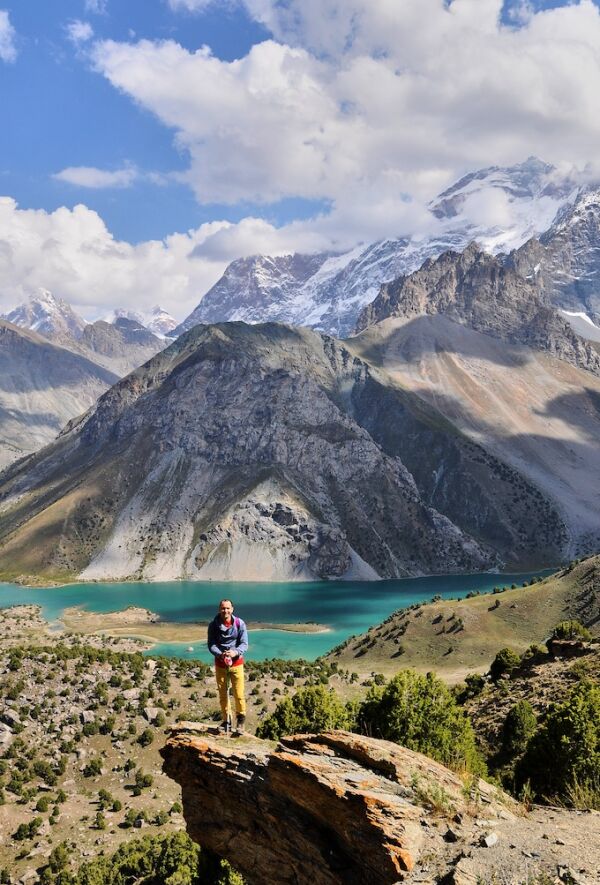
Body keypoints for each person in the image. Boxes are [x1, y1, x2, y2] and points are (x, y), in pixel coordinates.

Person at [207, 598, 249, 735]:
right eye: (223, 608)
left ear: (232, 609)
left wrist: (234, 652)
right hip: (220, 664)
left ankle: (241, 721)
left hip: (237, 664)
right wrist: (220, 655)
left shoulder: (239, 623)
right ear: (219, 609)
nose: (225, 611)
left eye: (228, 608)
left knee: (239, 693)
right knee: (223, 694)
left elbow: (244, 644)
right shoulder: (213, 625)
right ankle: (227, 721)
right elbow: (211, 644)